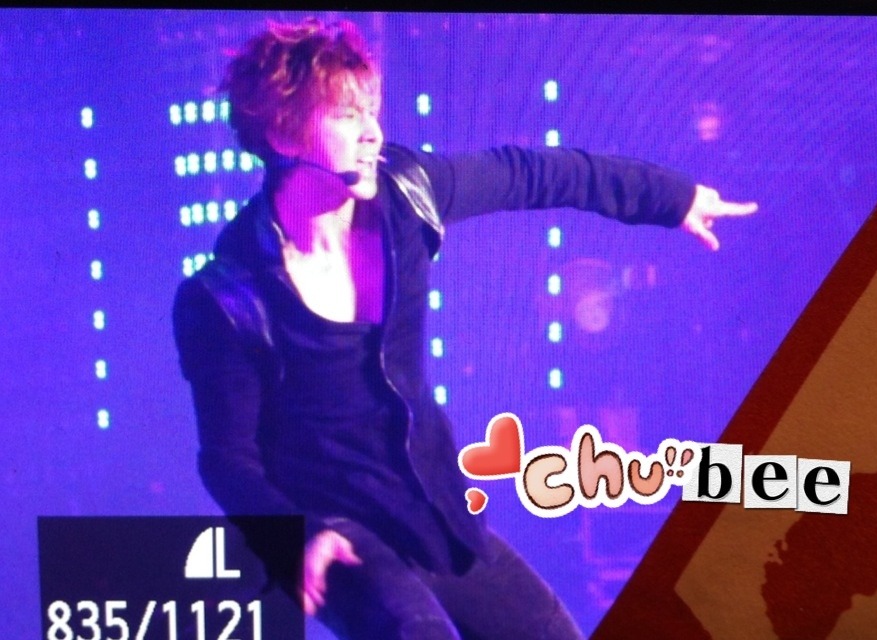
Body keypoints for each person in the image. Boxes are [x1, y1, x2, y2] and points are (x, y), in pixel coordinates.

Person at [172, 17, 757, 640]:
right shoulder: (227, 298)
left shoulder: (408, 194)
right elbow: (228, 461)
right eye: (346, 115)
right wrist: (297, 534)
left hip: (433, 511)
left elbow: (535, 173)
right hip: (342, 535)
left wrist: (670, 198)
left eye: (372, 111)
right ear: (280, 130)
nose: (372, 133)